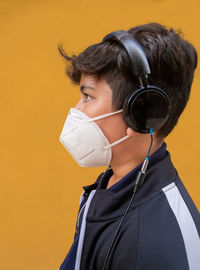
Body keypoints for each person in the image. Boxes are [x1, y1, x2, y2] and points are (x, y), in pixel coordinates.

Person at [57, 23, 200, 270]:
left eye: (88, 97)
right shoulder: (113, 186)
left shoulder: (160, 244)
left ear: (142, 112)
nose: (77, 111)